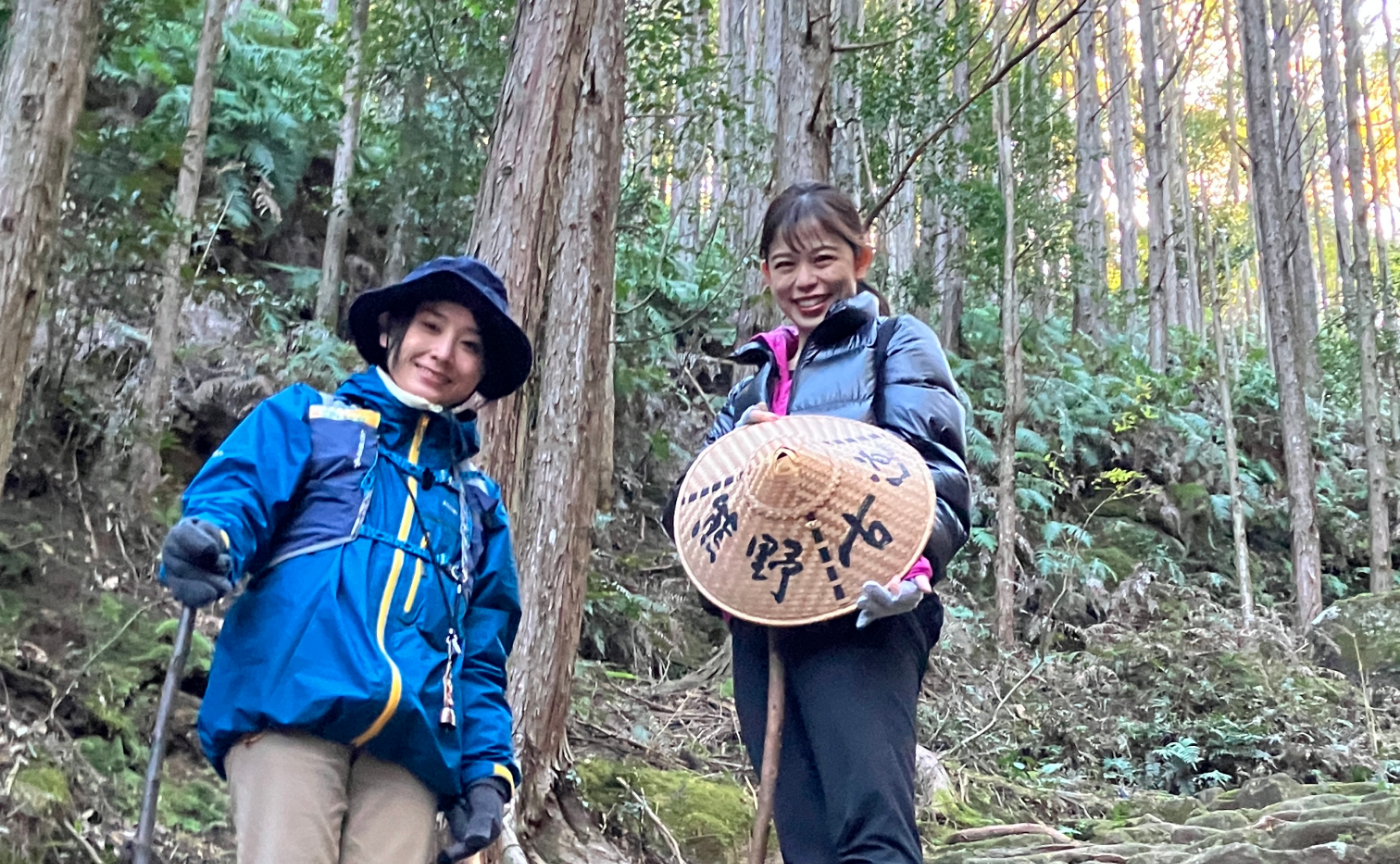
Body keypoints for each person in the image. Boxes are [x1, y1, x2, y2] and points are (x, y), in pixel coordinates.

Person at [157, 257, 531, 864]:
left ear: (481, 371)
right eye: (431, 328)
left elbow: (481, 658)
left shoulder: (478, 508)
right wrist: (211, 540)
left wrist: (486, 774)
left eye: (469, 345)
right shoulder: (312, 421)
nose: (443, 353)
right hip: (289, 714)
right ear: (392, 331)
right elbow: (238, 497)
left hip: (410, 757)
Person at [666, 182, 971, 863]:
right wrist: (735, 456)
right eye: (785, 264)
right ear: (766, 272)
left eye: (823, 259)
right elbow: (688, 509)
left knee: (871, 828)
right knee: (806, 838)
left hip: (864, 616)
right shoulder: (752, 382)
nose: (805, 281)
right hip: (765, 624)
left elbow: (938, 474)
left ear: (862, 259)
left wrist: (916, 569)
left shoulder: (894, 344)